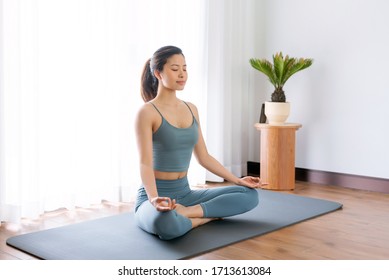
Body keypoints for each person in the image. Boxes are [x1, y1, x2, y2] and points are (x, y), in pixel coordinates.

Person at [134, 46, 263, 240]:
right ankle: (207, 217)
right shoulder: (147, 112)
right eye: (175, 69)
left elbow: (204, 157)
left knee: (249, 195)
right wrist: (153, 199)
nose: (182, 74)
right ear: (158, 73)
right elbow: (145, 163)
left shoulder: (191, 109)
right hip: (154, 196)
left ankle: (187, 213)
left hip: (185, 194)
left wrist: (238, 179)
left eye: (185, 69)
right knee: (166, 224)